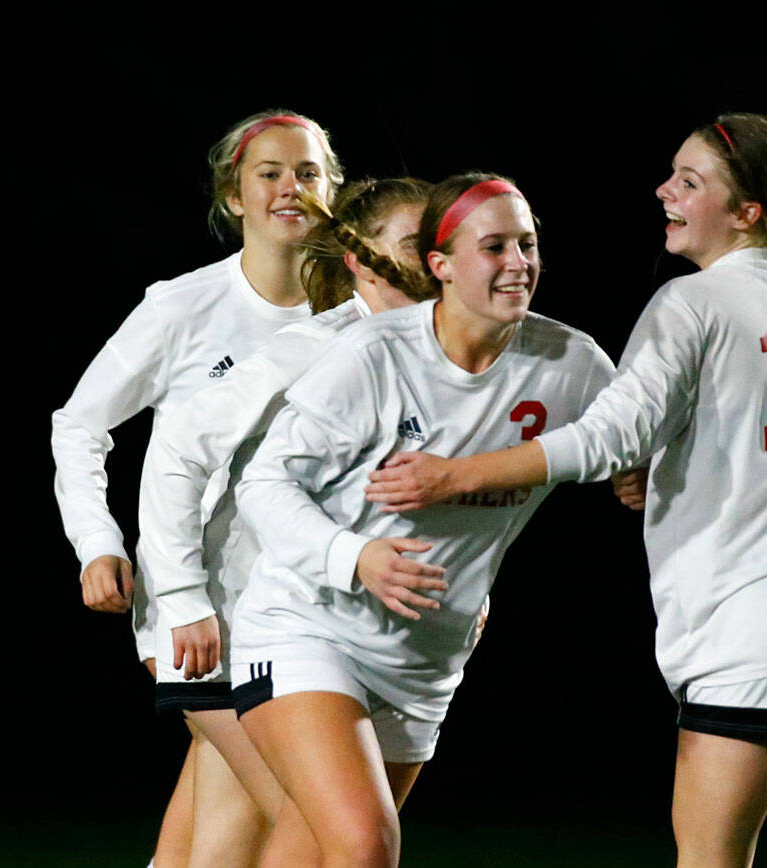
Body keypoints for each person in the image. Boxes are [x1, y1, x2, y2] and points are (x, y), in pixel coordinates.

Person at [367, 115, 767, 868]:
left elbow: (608, 437)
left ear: (747, 212)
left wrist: (457, 473)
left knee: (711, 860)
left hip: (751, 626)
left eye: (690, 182)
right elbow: (738, 434)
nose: (664, 190)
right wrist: (664, 465)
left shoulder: (691, 303)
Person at [230, 173, 616, 866]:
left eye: (527, 244)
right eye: (493, 246)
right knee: (365, 844)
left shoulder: (572, 363)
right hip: (307, 625)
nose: (519, 263)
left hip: (425, 655)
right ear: (439, 265)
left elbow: (640, 444)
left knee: (310, 853)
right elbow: (265, 481)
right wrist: (357, 557)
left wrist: (641, 475)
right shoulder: (378, 355)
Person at [50, 109, 342, 866]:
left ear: (333, 189)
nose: (291, 188)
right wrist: (96, 544)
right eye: (269, 173)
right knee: (312, 823)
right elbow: (78, 426)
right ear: (234, 196)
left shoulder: (358, 312)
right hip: (197, 616)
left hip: (306, 615)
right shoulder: (181, 307)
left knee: (218, 841)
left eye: (308, 172)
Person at [138, 177, 432, 865]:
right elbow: (179, 447)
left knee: (219, 845)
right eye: (418, 243)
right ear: (361, 258)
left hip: (345, 629)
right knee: (332, 834)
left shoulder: (435, 354)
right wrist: (183, 599)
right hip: (243, 623)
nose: (436, 256)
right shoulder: (321, 346)